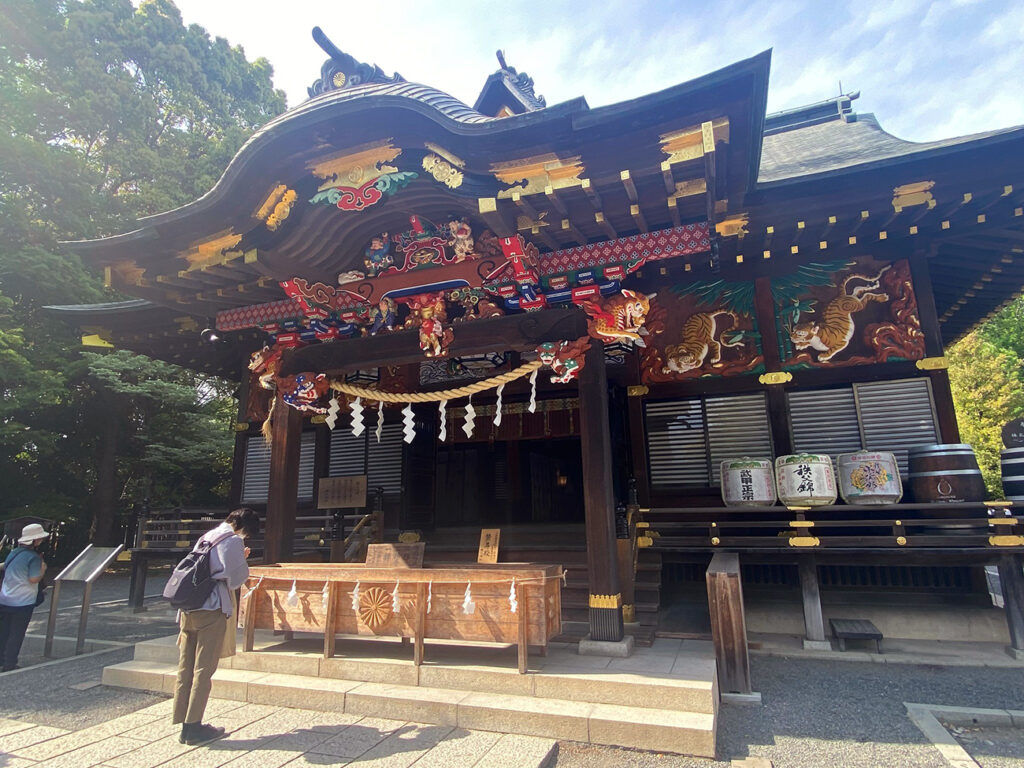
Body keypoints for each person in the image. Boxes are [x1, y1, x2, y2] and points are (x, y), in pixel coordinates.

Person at [172, 508, 259, 745]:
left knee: (185, 666)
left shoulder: (208, 535)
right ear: (245, 528)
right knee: (203, 668)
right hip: (211, 608)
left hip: (189, 607)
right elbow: (236, 578)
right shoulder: (232, 541)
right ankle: (194, 726)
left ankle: (183, 722)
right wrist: (243, 557)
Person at [0, 523, 49, 672]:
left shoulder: (13, 552)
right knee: (17, 632)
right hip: (23, 601)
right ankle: (10, 663)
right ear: (35, 540)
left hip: (5, 598)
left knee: (4, 631)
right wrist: (43, 568)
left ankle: (1, 660)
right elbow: (34, 579)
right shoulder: (33, 558)